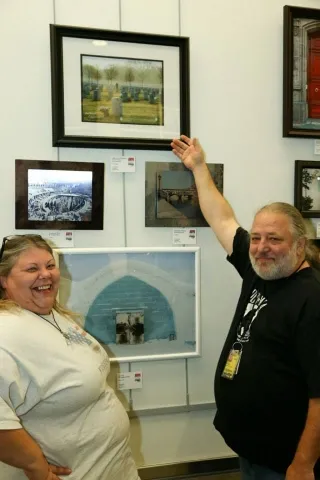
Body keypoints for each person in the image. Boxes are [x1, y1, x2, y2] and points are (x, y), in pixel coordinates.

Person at [171, 135, 320, 480]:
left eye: (274, 239)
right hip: (253, 452)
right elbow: (221, 219)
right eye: (256, 237)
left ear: (299, 245)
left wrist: (304, 464)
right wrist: (198, 167)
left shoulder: (312, 299)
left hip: (287, 463)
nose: (261, 247)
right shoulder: (260, 271)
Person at [0, 234, 140, 480]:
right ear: (4, 280)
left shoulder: (49, 312)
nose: (45, 274)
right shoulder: (6, 332)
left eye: (50, 265)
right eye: (32, 268)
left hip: (112, 467)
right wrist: (36, 466)